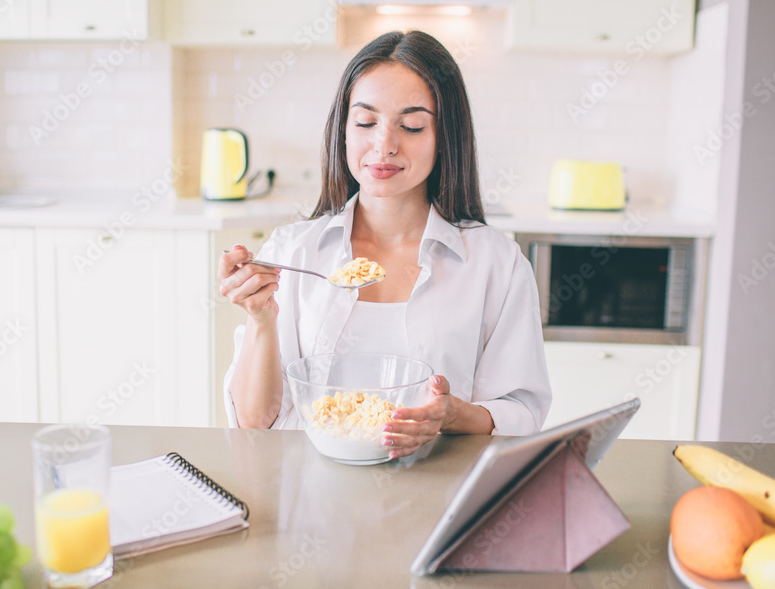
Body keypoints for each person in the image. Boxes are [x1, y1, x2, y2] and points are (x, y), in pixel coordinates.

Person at [217, 30, 550, 459]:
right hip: (310, 501)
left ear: (444, 137)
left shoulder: (496, 263)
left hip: (440, 495)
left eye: (411, 125)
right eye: (366, 122)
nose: (384, 145)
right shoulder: (292, 253)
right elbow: (254, 424)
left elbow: (521, 412)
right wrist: (261, 319)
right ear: (343, 130)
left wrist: (453, 416)